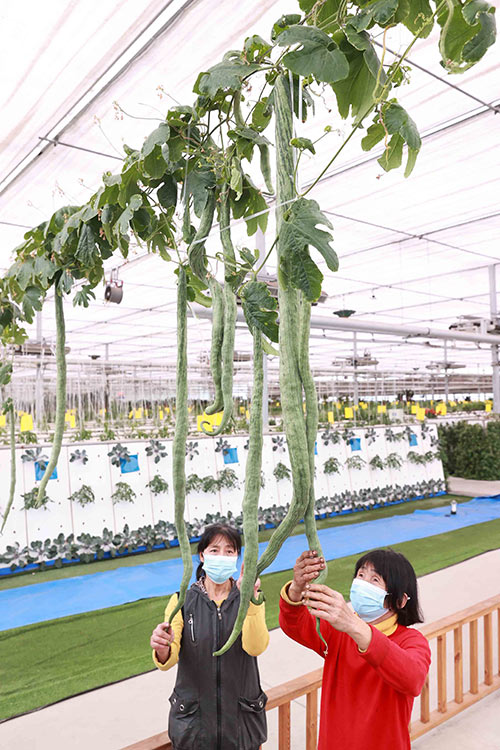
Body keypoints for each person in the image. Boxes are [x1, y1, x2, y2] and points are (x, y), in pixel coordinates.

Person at [279, 548, 431, 750]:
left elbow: (413, 679)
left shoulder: (411, 641)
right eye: (360, 575)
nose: (362, 583)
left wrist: (354, 626)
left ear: (400, 601)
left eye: (375, 580)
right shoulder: (338, 630)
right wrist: (296, 589)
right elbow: (294, 624)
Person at [150, 523, 269, 750]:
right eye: (215, 550)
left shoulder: (250, 598)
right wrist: (162, 647)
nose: (222, 556)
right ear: (202, 555)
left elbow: (255, 647)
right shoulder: (182, 601)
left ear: (237, 557)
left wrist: (250, 599)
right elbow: (168, 659)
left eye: (229, 551)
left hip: (241, 728)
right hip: (194, 729)